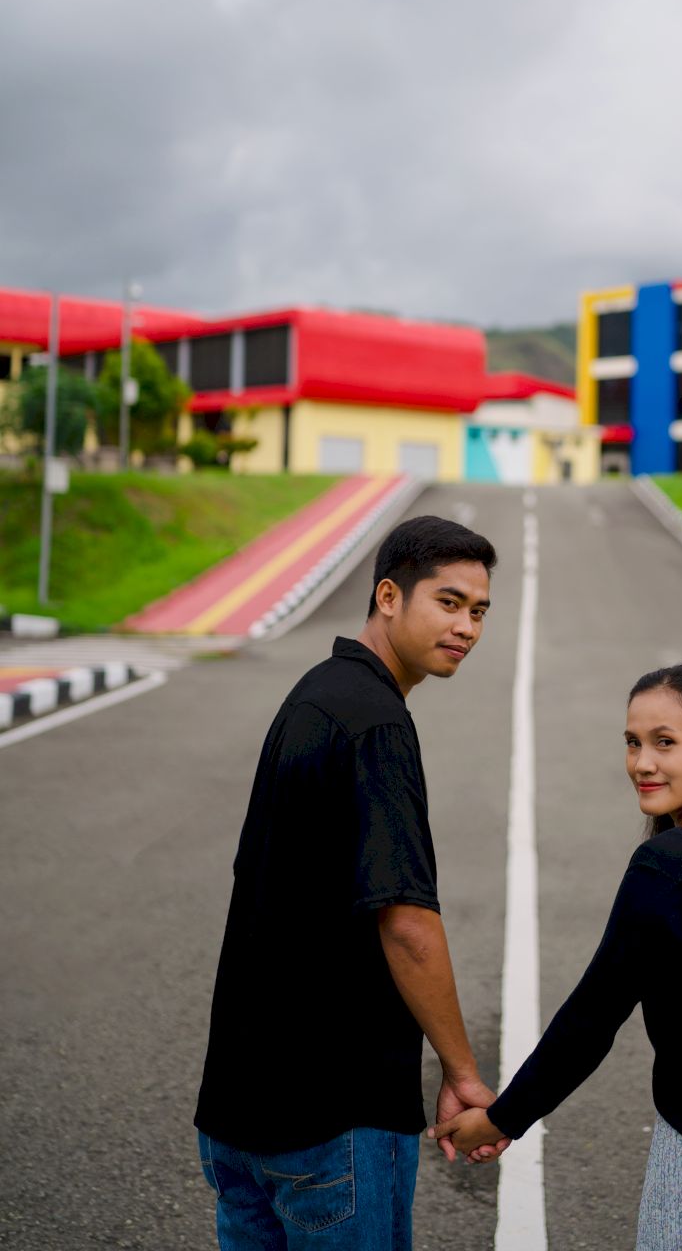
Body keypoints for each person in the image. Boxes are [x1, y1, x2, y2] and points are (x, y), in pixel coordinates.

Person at [432, 662, 682, 1251]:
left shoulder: (670, 865)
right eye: (632, 742)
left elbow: (595, 1014)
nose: (642, 763)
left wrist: (502, 1119)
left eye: (664, 742)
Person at [194, 514, 508, 1251]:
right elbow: (405, 920)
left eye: (478, 611)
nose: (466, 627)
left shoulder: (315, 695)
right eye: (449, 602)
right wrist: (462, 1072)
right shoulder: (377, 724)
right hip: (333, 1121)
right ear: (389, 597)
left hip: (239, 1111)